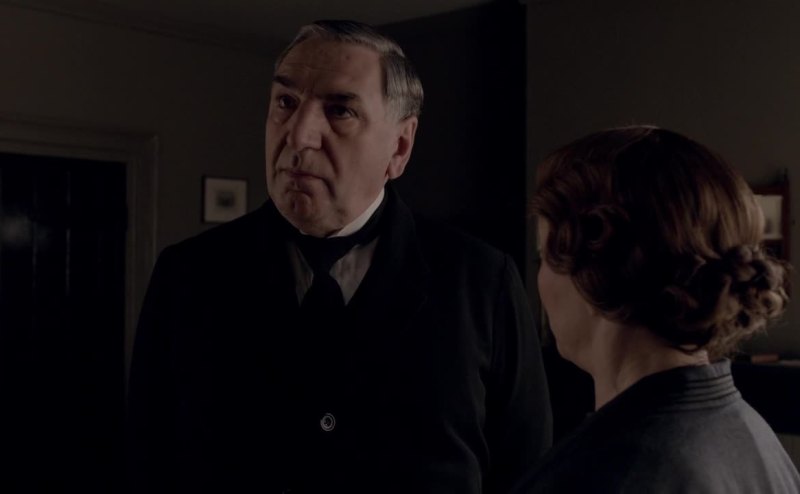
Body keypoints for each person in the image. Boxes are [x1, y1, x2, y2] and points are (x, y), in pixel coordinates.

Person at [127, 20, 552, 493]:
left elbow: (528, 476)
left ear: (400, 146)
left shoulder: (481, 283)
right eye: (285, 103)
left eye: (340, 111)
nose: (299, 136)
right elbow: (148, 462)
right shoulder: (188, 276)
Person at [512, 126, 800, 493]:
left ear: (595, 273)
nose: (540, 282)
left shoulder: (600, 475)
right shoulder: (752, 439)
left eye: (543, 256)